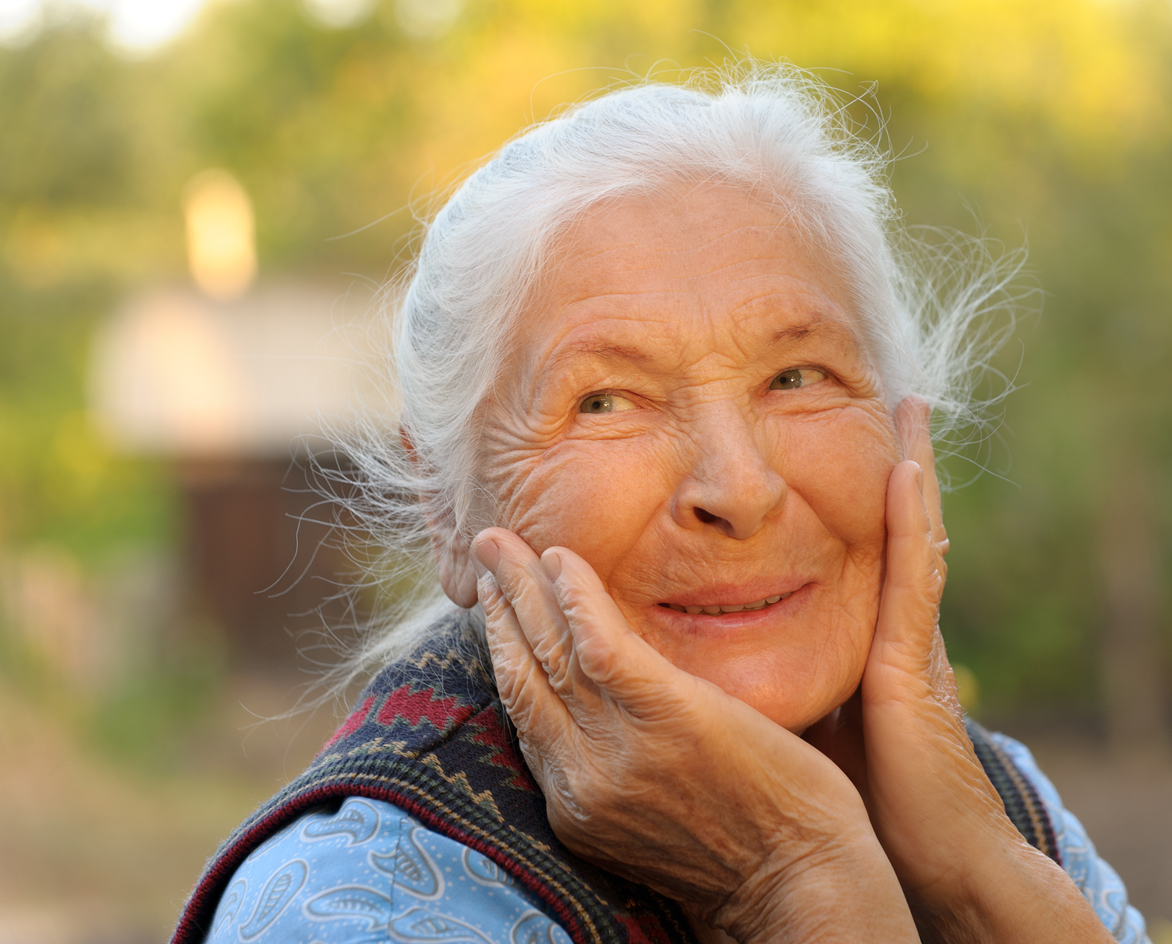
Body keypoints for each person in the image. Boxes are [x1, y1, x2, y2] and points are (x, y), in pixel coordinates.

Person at [172, 66, 1151, 944]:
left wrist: (980, 878)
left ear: (907, 442)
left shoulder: (996, 807)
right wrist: (797, 877)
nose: (738, 488)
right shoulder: (361, 910)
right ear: (445, 505)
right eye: (605, 401)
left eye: (796, 375)